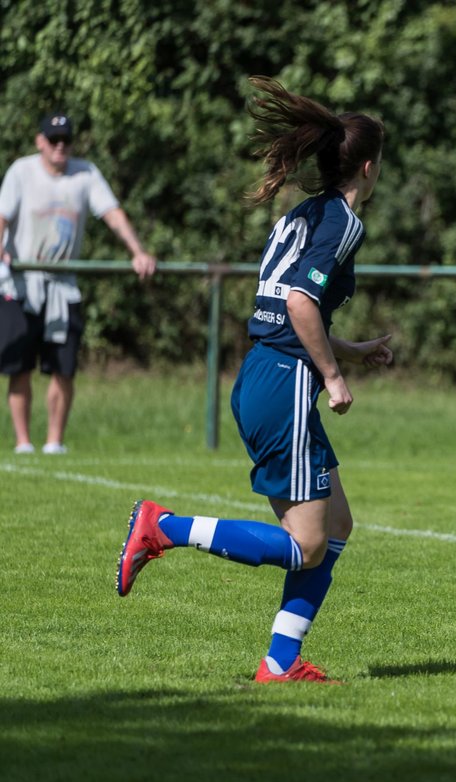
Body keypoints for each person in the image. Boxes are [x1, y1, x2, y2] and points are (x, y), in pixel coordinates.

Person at [115, 77, 393, 684]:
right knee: (305, 545)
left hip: (264, 375)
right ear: (369, 167)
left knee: (335, 527)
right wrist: (334, 375)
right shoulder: (343, 221)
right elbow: (298, 301)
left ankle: (281, 661)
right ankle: (163, 528)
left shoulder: (304, 212)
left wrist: (351, 347)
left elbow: (288, 309)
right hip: (286, 384)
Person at [0, 112, 157, 454]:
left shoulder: (85, 173)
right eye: (53, 140)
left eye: (66, 140)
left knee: (63, 367)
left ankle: (55, 442)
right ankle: (23, 443)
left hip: (63, 286)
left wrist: (138, 251)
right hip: (22, 284)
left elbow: (112, 212)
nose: (60, 147)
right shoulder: (20, 172)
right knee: (20, 366)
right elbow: (2, 216)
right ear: (40, 141)